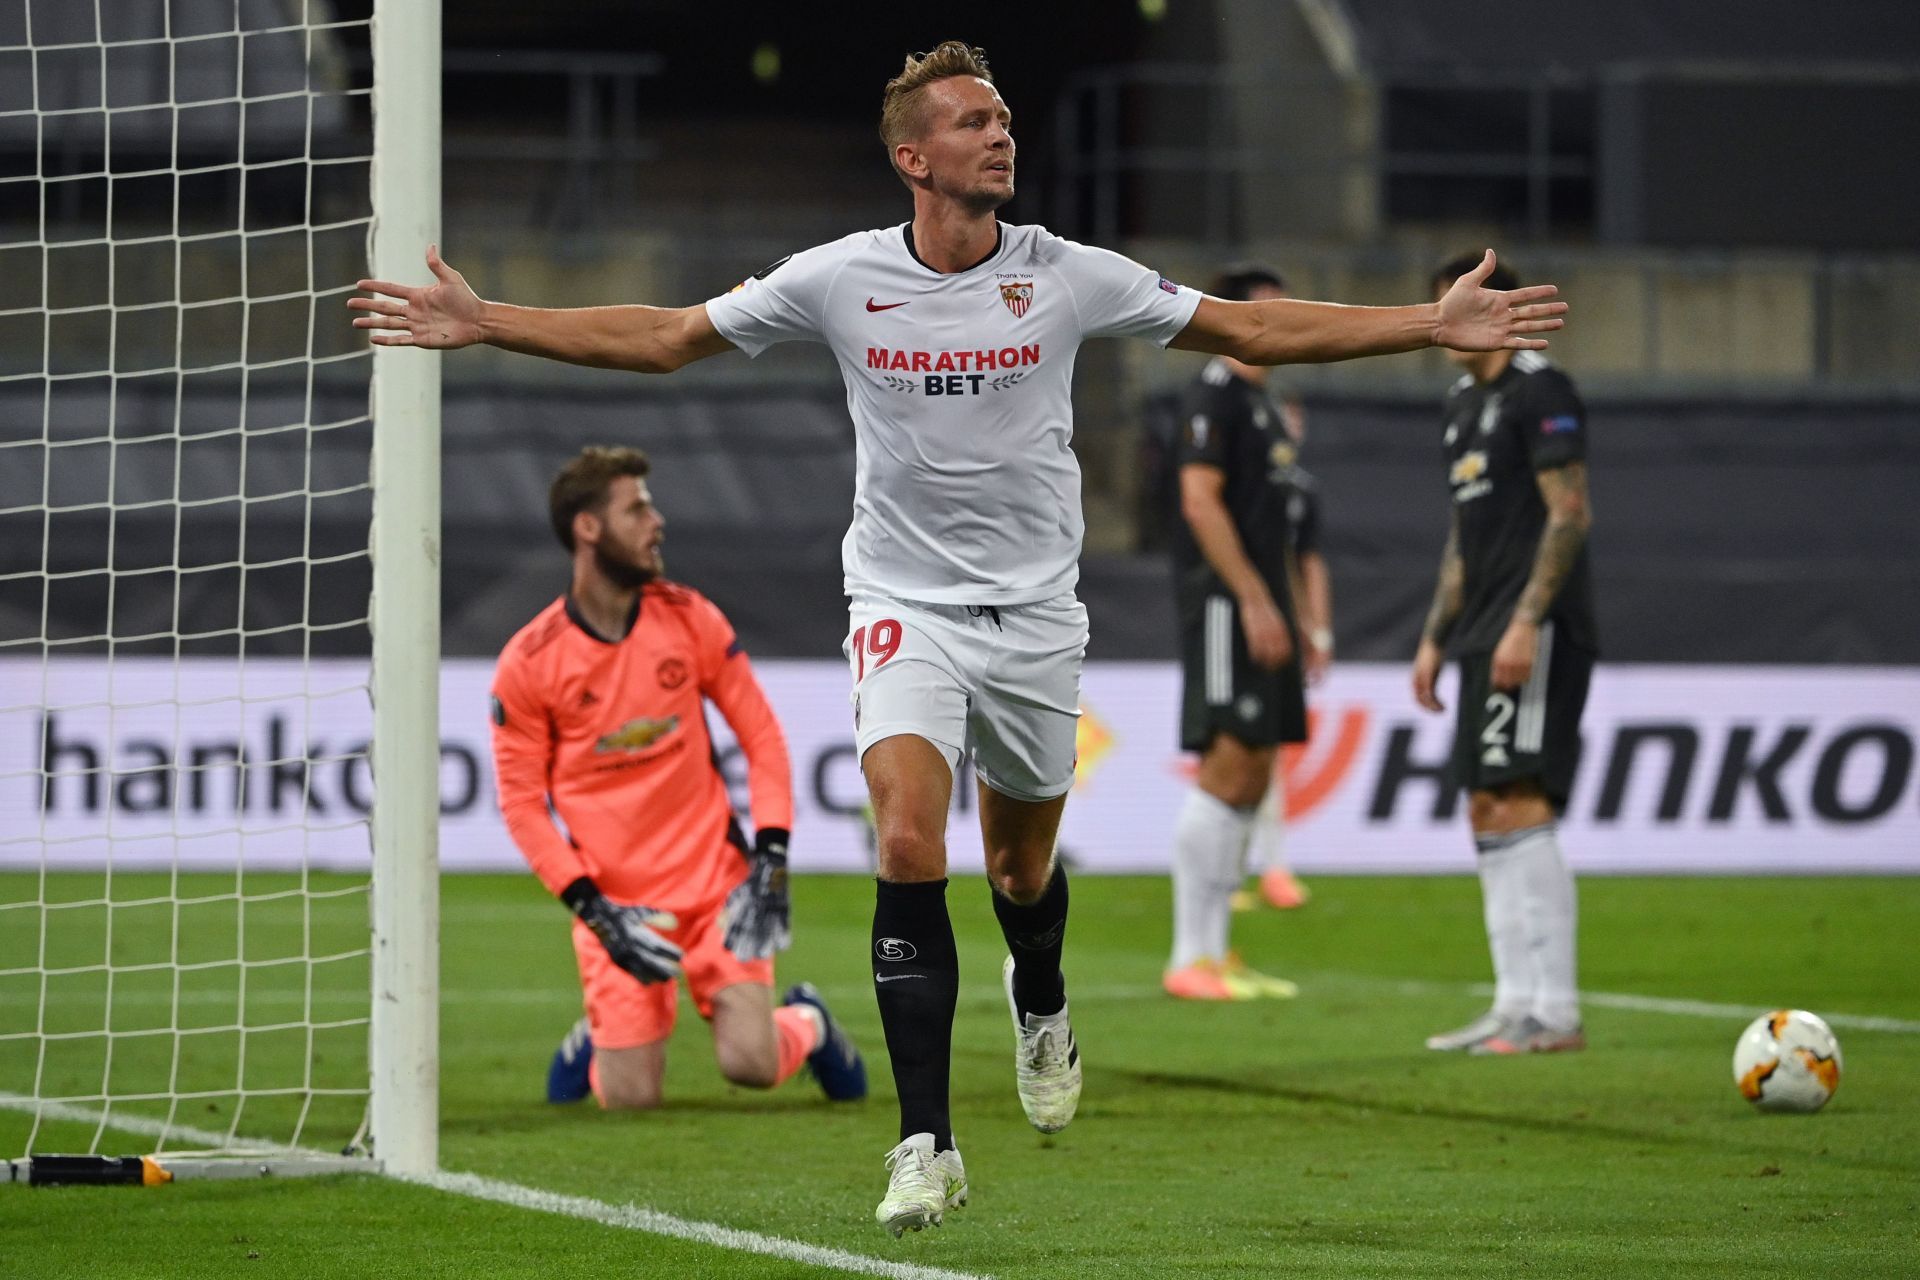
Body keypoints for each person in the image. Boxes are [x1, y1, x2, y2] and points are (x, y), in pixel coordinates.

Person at [352, 41, 1565, 1236]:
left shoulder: (1067, 274)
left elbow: (1250, 330)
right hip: (902, 604)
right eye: (976, 121)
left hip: (1037, 612)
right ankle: (924, 1142)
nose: (1003, 135)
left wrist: (1426, 322)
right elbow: (669, 337)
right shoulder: (840, 278)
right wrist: (488, 320)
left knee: (1022, 874)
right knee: (907, 836)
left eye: (1003, 119)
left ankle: (1040, 994)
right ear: (912, 155)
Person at [487, 446, 867, 1112]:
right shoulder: (530, 662)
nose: (657, 522)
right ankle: (597, 1042)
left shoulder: (688, 618)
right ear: (588, 528)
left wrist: (771, 857)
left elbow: (762, 738)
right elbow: (521, 806)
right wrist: (594, 911)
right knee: (630, 1100)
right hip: (619, 906)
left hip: (714, 889)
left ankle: (809, 1023)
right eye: (637, 509)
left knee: (748, 1062)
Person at [1412, 253, 1596, 1056]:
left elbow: (1569, 513)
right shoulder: (1461, 404)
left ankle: (1554, 1011)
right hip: (1482, 626)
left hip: (1537, 626)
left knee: (1520, 797)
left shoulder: (1538, 387)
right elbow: (1463, 535)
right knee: (1485, 803)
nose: (1441, 318)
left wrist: (1527, 622)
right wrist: (1434, 636)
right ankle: (1514, 1000)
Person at [1164, 263, 1321, 1001]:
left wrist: (1297, 616)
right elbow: (1200, 503)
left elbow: (1284, 533)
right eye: (1265, 314)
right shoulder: (1214, 396)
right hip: (1229, 606)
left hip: (1265, 607)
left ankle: (1216, 952)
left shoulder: (1266, 407)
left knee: (1255, 769)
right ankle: (1189, 955)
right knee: (1228, 763)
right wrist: (1254, 600)